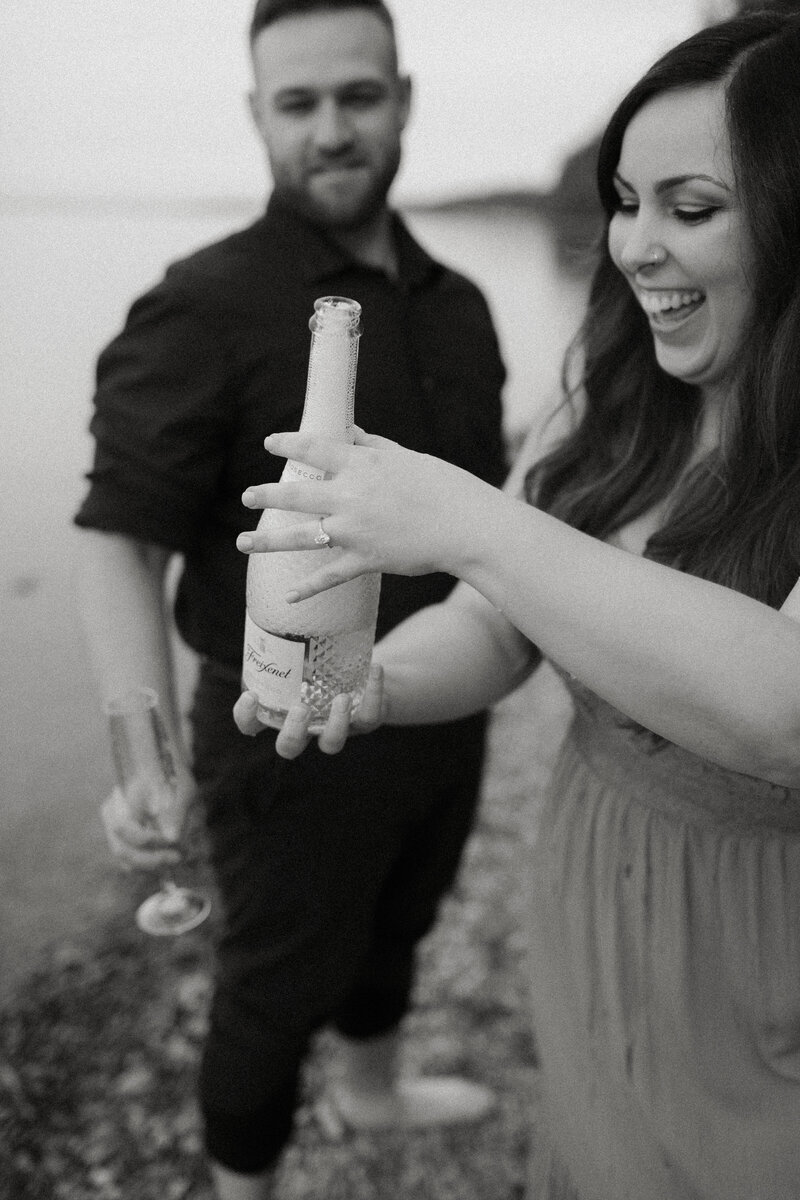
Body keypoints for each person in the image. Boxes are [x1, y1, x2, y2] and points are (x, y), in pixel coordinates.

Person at [234, 11, 800, 1197]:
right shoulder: (609, 391)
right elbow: (497, 624)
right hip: (596, 875)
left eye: (689, 209)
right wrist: (379, 684)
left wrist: (467, 518)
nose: (634, 247)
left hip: (765, 948)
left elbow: (779, 712)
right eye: (623, 200)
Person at [74, 1, 509, 1196]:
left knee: (404, 922)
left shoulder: (460, 305)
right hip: (278, 731)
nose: (330, 129)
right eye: (298, 102)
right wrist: (144, 753)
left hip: (439, 701)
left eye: (357, 96)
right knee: (270, 992)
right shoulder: (199, 305)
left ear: (403, 101)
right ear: (257, 115)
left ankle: (369, 1099)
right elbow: (119, 537)